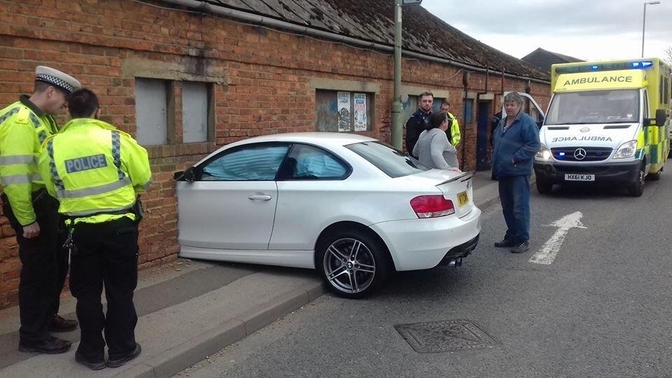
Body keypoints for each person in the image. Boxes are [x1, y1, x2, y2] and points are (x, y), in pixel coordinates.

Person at [38, 88, 152, 370]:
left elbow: (52, 189)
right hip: (120, 228)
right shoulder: (117, 140)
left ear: (69, 112)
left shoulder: (52, 146)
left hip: (79, 233)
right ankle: (121, 349)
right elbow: (144, 178)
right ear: (97, 111)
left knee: (87, 294)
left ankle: (90, 353)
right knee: (120, 291)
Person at [0, 66, 81, 354]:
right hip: (32, 206)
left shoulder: (42, 118)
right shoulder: (21, 122)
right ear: (50, 91)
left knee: (56, 264)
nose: (65, 106)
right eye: (64, 99)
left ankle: (47, 317)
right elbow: (15, 176)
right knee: (38, 271)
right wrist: (27, 220)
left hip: (48, 204)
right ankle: (32, 335)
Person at [491, 92, 540, 254]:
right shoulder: (502, 122)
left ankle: (522, 239)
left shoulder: (526, 123)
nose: (509, 107)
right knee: (507, 206)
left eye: (512, 104)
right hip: (503, 171)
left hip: (519, 172)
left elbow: (533, 145)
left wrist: (515, 158)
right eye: (507, 104)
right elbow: (496, 141)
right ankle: (511, 235)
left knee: (520, 207)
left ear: (519, 106)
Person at [405, 91, 434, 158]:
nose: (427, 103)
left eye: (429, 101)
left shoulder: (434, 118)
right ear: (419, 103)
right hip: (419, 156)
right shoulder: (414, 119)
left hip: (432, 155)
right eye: (424, 101)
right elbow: (410, 142)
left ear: (432, 103)